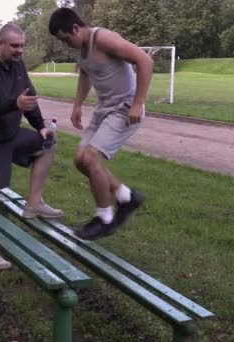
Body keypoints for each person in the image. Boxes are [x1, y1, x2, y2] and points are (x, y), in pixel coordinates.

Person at [0, 23, 63, 269]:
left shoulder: (17, 66)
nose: (20, 51)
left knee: (47, 144)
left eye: (23, 46)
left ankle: (34, 205)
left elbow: (29, 99)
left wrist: (40, 127)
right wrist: (13, 104)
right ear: (1, 43)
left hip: (7, 134)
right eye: (15, 46)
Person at [48, 8, 153, 240]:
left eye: (66, 39)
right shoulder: (81, 49)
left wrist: (138, 103)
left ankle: (104, 218)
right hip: (103, 109)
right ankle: (125, 197)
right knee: (80, 161)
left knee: (91, 158)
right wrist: (77, 105)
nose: (66, 44)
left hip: (125, 109)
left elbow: (144, 60)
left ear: (76, 28)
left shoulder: (103, 38)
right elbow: (85, 74)